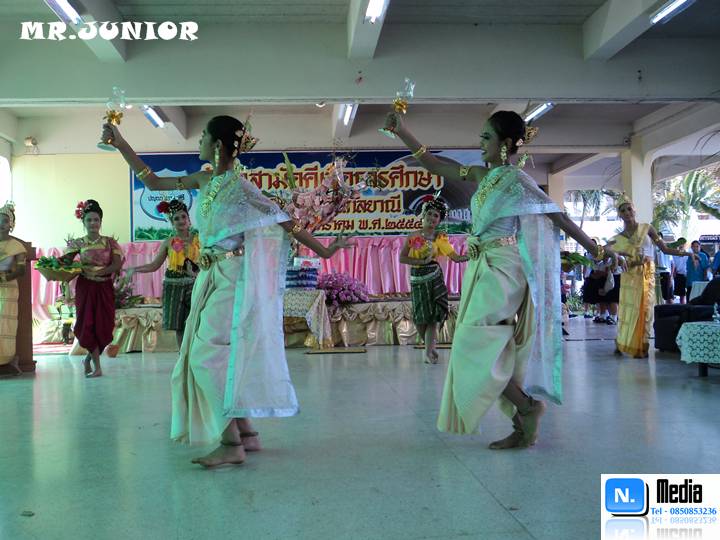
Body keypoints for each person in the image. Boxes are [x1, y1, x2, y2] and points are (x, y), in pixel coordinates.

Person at [103, 115, 352, 467]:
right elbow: (154, 182)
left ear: (217, 145)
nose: (199, 141)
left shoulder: (244, 189)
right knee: (209, 354)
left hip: (232, 277)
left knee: (205, 357)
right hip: (209, 276)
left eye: (203, 136)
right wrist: (121, 144)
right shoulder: (203, 179)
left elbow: (288, 223)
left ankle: (230, 441)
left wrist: (326, 251)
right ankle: (246, 433)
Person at [384, 109, 618, 449]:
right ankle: (524, 415)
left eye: (486, 137)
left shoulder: (517, 181)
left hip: (504, 268)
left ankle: (527, 408)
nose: (480, 143)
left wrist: (595, 249)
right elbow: (433, 165)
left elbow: (558, 217)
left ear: (505, 143)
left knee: (471, 341)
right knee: (483, 345)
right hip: (482, 266)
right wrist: (402, 130)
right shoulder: (481, 174)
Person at [609, 200, 692, 358]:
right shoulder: (617, 238)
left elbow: (665, 249)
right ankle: (622, 342)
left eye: (629, 209)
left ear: (635, 211)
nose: (627, 212)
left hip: (647, 275)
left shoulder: (647, 228)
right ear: (619, 215)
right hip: (629, 276)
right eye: (623, 210)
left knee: (646, 311)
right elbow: (606, 252)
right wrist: (615, 256)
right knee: (629, 311)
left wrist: (687, 253)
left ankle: (641, 346)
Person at [399, 195, 468, 364]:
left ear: (439, 220)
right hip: (418, 279)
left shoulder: (440, 237)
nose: (432, 218)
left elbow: (455, 257)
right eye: (429, 213)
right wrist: (421, 262)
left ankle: (429, 352)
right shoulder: (413, 236)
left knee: (433, 316)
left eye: (436, 215)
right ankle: (429, 347)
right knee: (420, 317)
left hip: (435, 277)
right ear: (423, 215)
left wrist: (472, 255)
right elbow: (402, 258)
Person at [126, 199, 199, 348]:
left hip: (195, 285)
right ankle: (182, 356)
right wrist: (134, 269)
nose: (181, 221)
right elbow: (154, 265)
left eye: (183, 216)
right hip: (174, 287)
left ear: (189, 218)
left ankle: (194, 355)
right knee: (179, 326)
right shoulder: (168, 242)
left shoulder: (200, 239)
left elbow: (207, 261)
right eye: (176, 218)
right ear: (172, 222)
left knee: (196, 322)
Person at [63, 200, 123, 377]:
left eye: (96, 220)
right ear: (83, 222)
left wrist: (101, 272)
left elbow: (117, 264)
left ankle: (88, 359)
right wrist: (53, 266)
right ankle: (98, 367)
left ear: (101, 221)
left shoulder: (110, 243)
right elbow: (65, 263)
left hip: (104, 287)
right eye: (89, 220)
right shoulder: (78, 243)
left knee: (105, 326)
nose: (93, 223)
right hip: (86, 287)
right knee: (88, 323)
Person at [0, 202, 27, 375]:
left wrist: (3, 277)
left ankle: (7, 359)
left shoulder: (17, 246)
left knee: (5, 324)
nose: (1, 224)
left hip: (8, 288)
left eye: (5, 221)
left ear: (11, 224)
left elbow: (21, 270)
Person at [655, 233, 675, 305]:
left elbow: (672, 264)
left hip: (665, 273)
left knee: (669, 297)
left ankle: (673, 311)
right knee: (661, 297)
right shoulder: (654, 248)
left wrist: (671, 276)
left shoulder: (666, 249)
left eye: (659, 238)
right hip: (657, 274)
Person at [672, 238, 689, 304]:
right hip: (678, 275)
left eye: (682, 243)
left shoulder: (689, 254)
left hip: (687, 276)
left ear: (685, 244)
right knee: (681, 295)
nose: (681, 245)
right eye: (679, 243)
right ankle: (682, 308)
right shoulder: (674, 254)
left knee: (688, 295)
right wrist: (673, 273)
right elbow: (673, 265)